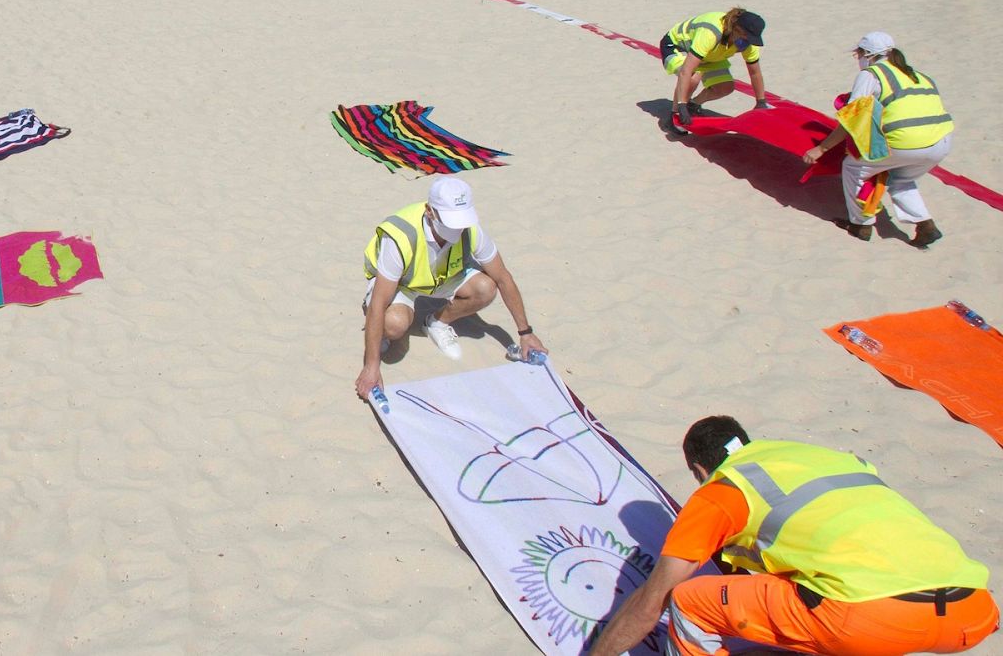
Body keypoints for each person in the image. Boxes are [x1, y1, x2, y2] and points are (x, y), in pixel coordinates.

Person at [588, 415, 997, 656]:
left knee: (689, 601)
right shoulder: (813, 457)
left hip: (869, 617)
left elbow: (651, 601)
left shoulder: (724, 490)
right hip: (972, 611)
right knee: (801, 593)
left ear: (698, 470)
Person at [355, 177, 548, 399]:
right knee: (394, 325)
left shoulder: (471, 229)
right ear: (430, 212)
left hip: (441, 277)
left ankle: (436, 322)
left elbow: (503, 277)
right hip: (402, 283)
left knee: (486, 288)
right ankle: (382, 333)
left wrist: (526, 333)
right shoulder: (400, 236)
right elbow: (379, 302)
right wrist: (371, 367)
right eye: (450, 221)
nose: (457, 229)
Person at [803, 32, 954, 247]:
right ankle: (925, 224)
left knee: (854, 169)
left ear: (868, 54)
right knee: (901, 179)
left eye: (859, 54)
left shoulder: (872, 74)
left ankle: (861, 224)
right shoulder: (918, 75)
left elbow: (852, 118)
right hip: (941, 142)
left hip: (906, 142)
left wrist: (822, 148)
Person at [660, 8, 769, 134]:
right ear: (736, 28)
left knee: (725, 87)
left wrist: (760, 102)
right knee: (693, 77)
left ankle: (693, 104)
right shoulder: (711, 32)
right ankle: (674, 116)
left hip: (710, 55)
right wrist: (681, 105)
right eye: (746, 37)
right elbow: (686, 71)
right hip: (678, 46)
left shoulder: (748, 42)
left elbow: (755, 72)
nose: (747, 42)